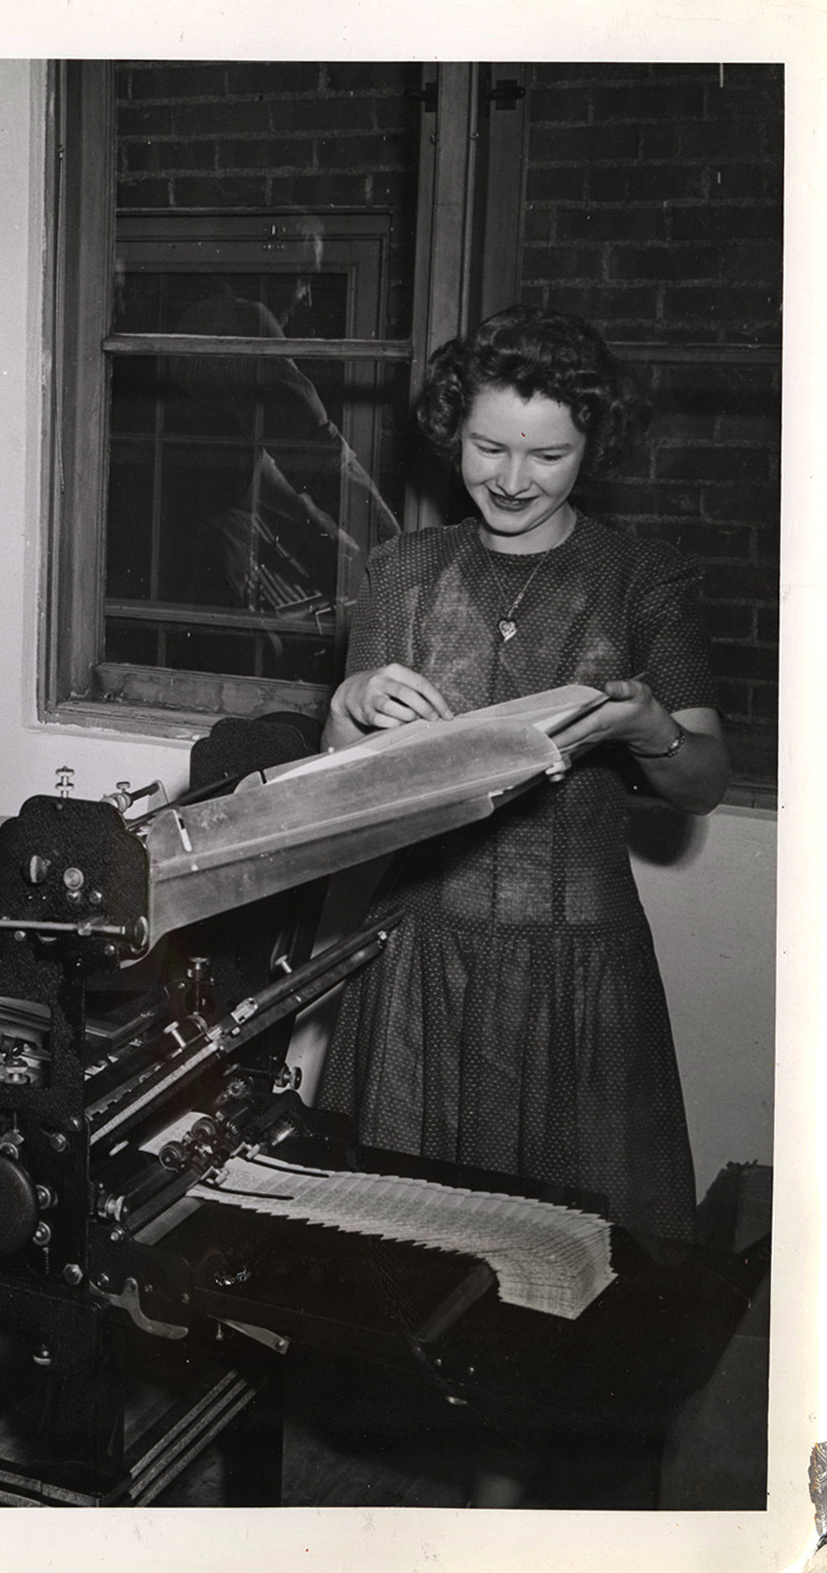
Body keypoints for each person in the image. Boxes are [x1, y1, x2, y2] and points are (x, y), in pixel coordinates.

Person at [317, 305, 729, 1248]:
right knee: (399, 1255)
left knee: (575, 1263)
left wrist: (650, 726)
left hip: (580, 968)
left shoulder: (639, 579)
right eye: (486, 447)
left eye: (545, 456)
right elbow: (342, 791)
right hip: (413, 962)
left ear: (591, 445)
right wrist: (351, 699)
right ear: (451, 435)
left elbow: (701, 783)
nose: (509, 480)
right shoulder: (403, 570)